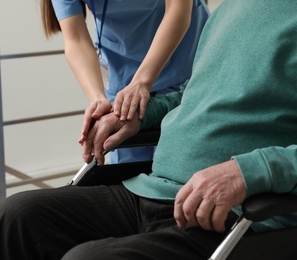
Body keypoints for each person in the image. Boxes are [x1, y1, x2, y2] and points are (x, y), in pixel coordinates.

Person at [0, 0, 297, 259]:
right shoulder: (235, 8)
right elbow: (193, 93)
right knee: (18, 215)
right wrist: (138, 117)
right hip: (155, 191)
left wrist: (246, 172)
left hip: (232, 215)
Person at [41, 0, 209, 164]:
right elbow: (75, 38)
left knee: (177, 164)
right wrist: (97, 98)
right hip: (121, 75)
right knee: (126, 169)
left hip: (183, 63)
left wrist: (142, 81)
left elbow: (178, 8)